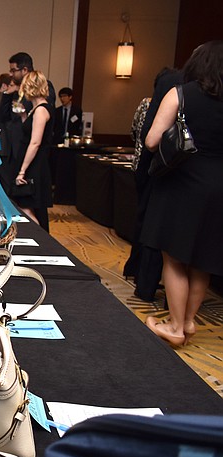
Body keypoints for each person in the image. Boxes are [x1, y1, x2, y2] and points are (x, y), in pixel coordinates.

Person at [141, 41, 223, 347]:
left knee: (173, 257)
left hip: (183, 183)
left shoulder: (181, 93)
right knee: (203, 259)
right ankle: (188, 322)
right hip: (218, 188)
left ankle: (174, 326)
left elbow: (151, 141)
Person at [123, 67, 182, 301]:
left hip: (144, 168)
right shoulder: (178, 104)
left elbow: (135, 131)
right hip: (162, 171)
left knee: (144, 222)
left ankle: (137, 271)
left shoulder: (147, 105)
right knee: (155, 228)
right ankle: (146, 278)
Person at [0, 52, 56, 199]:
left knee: (30, 203)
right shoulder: (17, 90)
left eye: (13, 70)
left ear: (24, 70)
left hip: (34, 155)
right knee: (23, 202)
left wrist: (23, 170)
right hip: (20, 149)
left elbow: (37, 138)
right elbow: (5, 116)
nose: (11, 74)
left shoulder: (42, 96)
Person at [13, 70, 53, 231]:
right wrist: (23, 115)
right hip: (32, 163)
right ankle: (44, 242)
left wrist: (22, 171)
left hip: (35, 165)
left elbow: (35, 142)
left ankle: (43, 242)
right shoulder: (35, 109)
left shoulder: (41, 110)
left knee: (26, 205)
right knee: (30, 206)